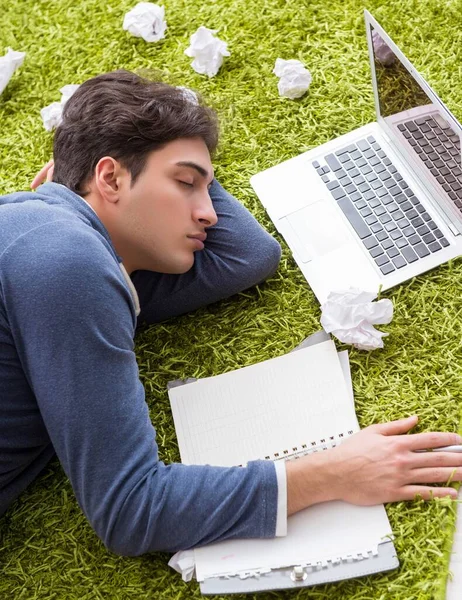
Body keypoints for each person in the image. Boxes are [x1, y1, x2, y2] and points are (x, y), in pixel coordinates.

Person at [1, 70, 461, 558]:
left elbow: (247, 255)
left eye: (208, 187)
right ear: (111, 177)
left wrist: (78, 177)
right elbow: (132, 510)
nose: (210, 213)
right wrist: (334, 472)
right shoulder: (65, 258)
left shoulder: (55, 236)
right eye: (184, 183)